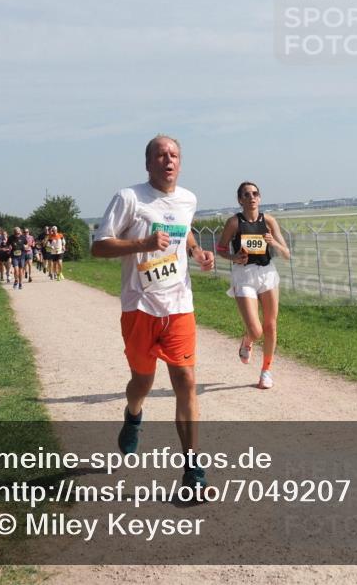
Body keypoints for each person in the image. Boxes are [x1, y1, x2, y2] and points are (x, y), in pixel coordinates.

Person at [91, 135, 215, 496]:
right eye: (160, 155)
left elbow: (184, 229)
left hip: (178, 305)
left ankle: (193, 471)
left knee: (186, 382)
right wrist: (142, 244)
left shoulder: (188, 199)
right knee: (141, 383)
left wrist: (196, 252)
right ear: (148, 164)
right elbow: (99, 246)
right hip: (139, 308)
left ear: (181, 161)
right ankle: (133, 414)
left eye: (174, 154)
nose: (168, 160)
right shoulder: (129, 198)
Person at [216, 182, 290, 389]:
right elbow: (220, 248)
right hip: (244, 275)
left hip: (267, 273)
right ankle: (248, 340)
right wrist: (233, 257)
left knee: (271, 325)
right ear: (240, 200)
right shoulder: (233, 222)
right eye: (246, 195)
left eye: (255, 194)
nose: (251, 197)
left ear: (260, 197)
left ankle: (266, 372)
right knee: (257, 330)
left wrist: (273, 243)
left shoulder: (268, 221)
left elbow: (286, 254)